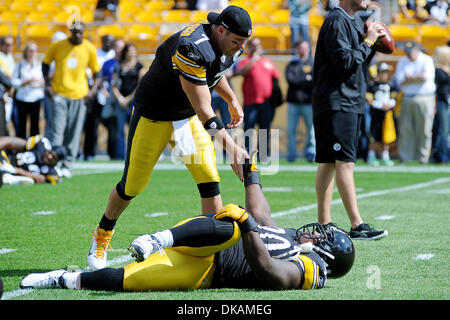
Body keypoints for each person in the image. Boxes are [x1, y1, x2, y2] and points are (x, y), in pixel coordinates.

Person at [20, 154, 355, 292]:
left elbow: (270, 271)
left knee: (127, 280)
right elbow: (263, 214)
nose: (316, 232)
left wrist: (249, 226)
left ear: (328, 256)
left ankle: (64, 279)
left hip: (209, 270)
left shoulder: (309, 267)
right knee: (235, 222)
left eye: (324, 237)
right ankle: (157, 239)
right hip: (206, 238)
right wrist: (252, 174)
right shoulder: (294, 238)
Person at [86, 5, 251, 271]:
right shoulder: (191, 48)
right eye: (236, 42)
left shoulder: (223, 40)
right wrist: (231, 147)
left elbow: (215, 70)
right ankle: (102, 233)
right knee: (132, 186)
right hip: (155, 116)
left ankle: (211, 254)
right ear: (220, 30)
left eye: (244, 42)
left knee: (209, 179)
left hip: (184, 116)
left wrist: (232, 99)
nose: (240, 48)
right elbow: (205, 111)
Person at [311, 0, 388, 240]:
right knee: (344, 161)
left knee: (329, 161)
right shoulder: (336, 20)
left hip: (344, 100)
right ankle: (357, 225)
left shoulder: (351, 21)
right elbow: (344, 62)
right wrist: (367, 41)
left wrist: (372, 42)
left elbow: (358, 61)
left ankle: (324, 224)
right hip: (338, 101)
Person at [42, 22, 102, 177]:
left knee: (74, 132)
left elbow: (97, 73)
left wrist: (92, 91)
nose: (77, 35)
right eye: (74, 32)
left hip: (80, 95)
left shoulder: (89, 48)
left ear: (84, 32)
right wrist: (47, 85)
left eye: (80, 32)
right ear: (70, 32)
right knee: (57, 129)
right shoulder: (58, 46)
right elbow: (45, 64)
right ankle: (53, 162)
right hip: (59, 93)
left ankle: (67, 163)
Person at [234, 37, 280, 160]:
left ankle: (263, 155)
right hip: (251, 102)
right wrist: (253, 60)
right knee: (249, 128)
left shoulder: (268, 61)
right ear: (250, 47)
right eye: (253, 45)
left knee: (264, 129)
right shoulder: (246, 61)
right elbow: (241, 72)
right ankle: (247, 154)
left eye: (258, 45)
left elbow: (276, 78)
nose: (256, 47)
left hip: (266, 103)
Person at [394, 41, 436, 164]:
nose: (408, 54)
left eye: (410, 52)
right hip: (407, 97)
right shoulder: (403, 61)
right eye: (407, 52)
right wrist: (417, 77)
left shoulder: (427, 60)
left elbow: (425, 77)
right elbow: (400, 81)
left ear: (416, 50)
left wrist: (410, 78)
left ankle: (423, 157)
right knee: (405, 128)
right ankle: (405, 156)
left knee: (424, 129)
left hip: (425, 97)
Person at [82, 34, 115, 161]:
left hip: (111, 95)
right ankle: (89, 152)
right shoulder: (96, 53)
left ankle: (114, 153)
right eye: (105, 41)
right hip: (96, 94)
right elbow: (94, 74)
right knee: (91, 125)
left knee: (112, 126)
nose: (108, 43)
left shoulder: (115, 55)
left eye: (110, 41)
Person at [111, 43, 145, 160]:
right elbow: (113, 84)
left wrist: (128, 98)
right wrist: (120, 98)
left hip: (134, 102)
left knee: (135, 129)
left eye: (133, 50)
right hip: (120, 102)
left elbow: (141, 85)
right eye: (129, 51)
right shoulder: (119, 66)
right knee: (120, 129)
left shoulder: (139, 67)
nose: (131, 53)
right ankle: (121, 155)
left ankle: (135, 154)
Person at [285, 40, 315, 162]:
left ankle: (311, 154)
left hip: (308, 103)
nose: (303, 50)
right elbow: (291, 80)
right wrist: (306, 78)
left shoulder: (313, 63)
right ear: (297, 49)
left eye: (305, 48)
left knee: (311, 130)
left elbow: (314, 81)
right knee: (291, 130)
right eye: (300, 48)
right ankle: (292, 155)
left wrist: (303, 80)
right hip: (293, 103)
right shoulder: (292, 63)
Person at [366, 63, 399, 167]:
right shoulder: (372, 86)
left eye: (386, 73)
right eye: (382, 73)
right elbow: (369, 100)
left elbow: (395, 98)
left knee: (387, 136)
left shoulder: (392, 85)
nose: (384, 75)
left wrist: (390, 104)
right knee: (373, 136)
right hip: (376, 115)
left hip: (388, 115)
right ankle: (371, 155)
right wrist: (380, 106)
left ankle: (385, 156)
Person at [0, 135, 66, 185]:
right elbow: (11, 141)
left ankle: (8, 176)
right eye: (50, 153)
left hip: (15, 171)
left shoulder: (52, 171)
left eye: (53, 157)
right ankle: (7, 176)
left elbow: (42, 179)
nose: (49, 156)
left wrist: (18, 171)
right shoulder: (41, 145)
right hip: (7, 159)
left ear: (56, 162)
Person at [11, 42, 45, 140]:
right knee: (22, 124)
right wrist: (24, 82)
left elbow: (44, 80)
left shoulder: (39, 65)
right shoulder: (20, 65)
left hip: (36, 98)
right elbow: (13, 81)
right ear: (26, 52)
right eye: (31, 51)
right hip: (23, 98)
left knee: (35, 124)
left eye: (35, 51)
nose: (33, 53)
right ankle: (20, 147)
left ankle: (34, 147)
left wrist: (40, 82)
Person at [99, 38, 126, 160]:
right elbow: (101, 80)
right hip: (112, 98)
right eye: (117, 47)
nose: (118, 50)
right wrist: (105, 93)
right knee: (111, 126)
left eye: (121, 47)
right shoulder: (108, 63)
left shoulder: (126, 63)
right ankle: (113, 153)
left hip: (125, 99)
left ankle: (123, 153)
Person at [431, 45, 450, 164]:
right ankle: (443, 155)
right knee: (444, 129)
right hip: (443, 101)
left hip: (446, 101)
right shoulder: (438, 70)